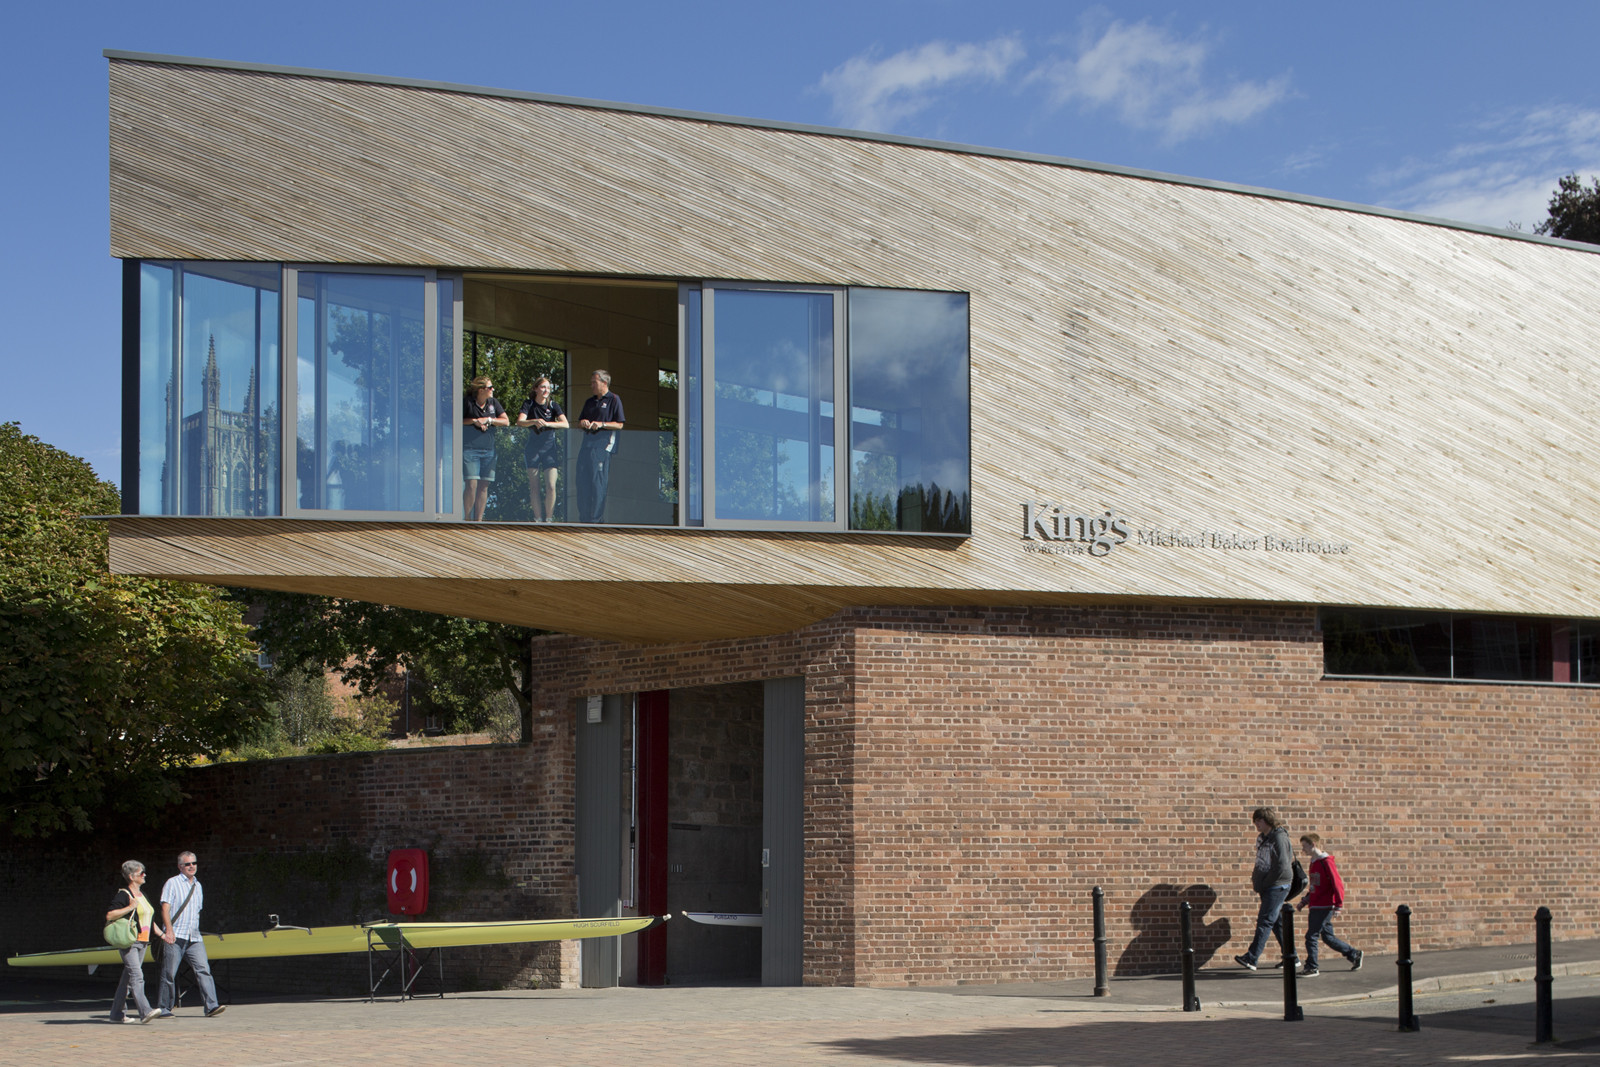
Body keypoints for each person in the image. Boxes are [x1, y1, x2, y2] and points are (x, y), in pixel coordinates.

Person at [156, 851, 226, 1018]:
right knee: (169, 973)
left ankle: (211, 1006)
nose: (192, 866)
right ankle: (164, 1008)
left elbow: (197, 912)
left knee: (203, 970)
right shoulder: (172, 883)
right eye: (188, 864)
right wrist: (169, 930)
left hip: (194, 937)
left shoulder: (198, 885)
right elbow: (165, 909)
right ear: (180, 866)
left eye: (194, 863)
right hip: (176, 935)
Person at [1234, 806, 1295, 970]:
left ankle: (1252, 957)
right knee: (1276, 923)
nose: (1256, 825)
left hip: (1277, 885)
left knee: (1265, 921)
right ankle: (1292, 956)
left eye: (1258, 821)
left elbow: (1282, 865)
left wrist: (1266, 882)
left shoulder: (1279, 838)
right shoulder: (1263, 838)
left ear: (1265, 820)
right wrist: (1257, 881)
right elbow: (1261, 862)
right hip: (1267, 886)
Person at [1295, 833, 1364, 976]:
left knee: (1311, 936)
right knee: (1327, 937)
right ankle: (1354, 954)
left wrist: (1338, 905)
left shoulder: (1326, 862)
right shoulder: (1314, 862)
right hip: (1315, 905)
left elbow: (1337, 884)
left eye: (1305, 846)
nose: (1303, 850)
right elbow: (1315, 886)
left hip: (1324, 906)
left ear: (1313, 844)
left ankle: (1312, 966)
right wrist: (1305, 900)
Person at [106, 860, 160, 1023]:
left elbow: (149, 919)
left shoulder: (143, 895)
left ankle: (116, 1014)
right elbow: (110, 915)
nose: (144, 875)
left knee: (128, 980)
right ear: (131, 876)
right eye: (140, 873)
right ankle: (145, 1011)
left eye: (144, 872)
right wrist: (130, 907)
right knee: (137, 976)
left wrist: (162, 934)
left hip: (143, 942)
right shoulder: (124, 895)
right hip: (130, 942)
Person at [575, 369, 625, 523]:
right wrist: (583, 423)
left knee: (598, 483)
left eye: (594, 382)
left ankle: (596, 520)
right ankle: (584, 518)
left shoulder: (614, 399)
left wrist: (602, 424)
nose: (591, 385)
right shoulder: (589, 402)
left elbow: (619, 424)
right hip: (586, 446)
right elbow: (580, 422)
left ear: (604, 382)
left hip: (603, 447)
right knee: (582, 481)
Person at [516, 376, 568, 522]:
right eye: (543, 387)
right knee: (534, 486)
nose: (546, 390)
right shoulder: (529, 404)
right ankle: (538, 518)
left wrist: (548, 424)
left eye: (548, 388)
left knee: (551, 485)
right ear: (536, 389)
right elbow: (520, 422)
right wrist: (533, 421)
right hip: (533, 448)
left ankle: (549, 518)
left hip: (550, 449)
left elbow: (565, 424)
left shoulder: (553, 405)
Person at [463, 376, 509, 521]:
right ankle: (467, 519)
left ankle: (478, 520)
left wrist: (489, 420)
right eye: (490, 387)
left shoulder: (493, 403)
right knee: (471, 483)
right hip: (470, 449)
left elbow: (506, 421)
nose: (492, 390)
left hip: (489, 449)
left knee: (484, 485)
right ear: (481, 389)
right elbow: (456, 419)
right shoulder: (467, 402)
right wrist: (475, 421)